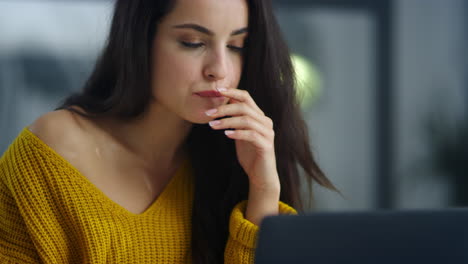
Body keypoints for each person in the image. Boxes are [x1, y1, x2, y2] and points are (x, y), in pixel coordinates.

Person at [0, 0, 336, 263]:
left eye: (236, 46)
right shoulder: (55, 150)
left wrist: (263, 190)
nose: (219, 69)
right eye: (193, 42)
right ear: (140, 40)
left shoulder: (231, 164)